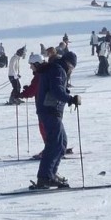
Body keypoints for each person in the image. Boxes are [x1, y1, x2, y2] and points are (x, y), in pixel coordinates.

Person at [32, 47, 81, 189]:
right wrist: (70, 99)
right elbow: (56, 90)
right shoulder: (58, 70)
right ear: (69, 63)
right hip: (50, 110)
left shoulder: (56, 68)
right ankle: (45, 177)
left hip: (50, 110)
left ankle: (50, 175)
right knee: (56, 143)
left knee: (61, 142)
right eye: (72, 67)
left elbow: (56, 88)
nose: (71, 70)